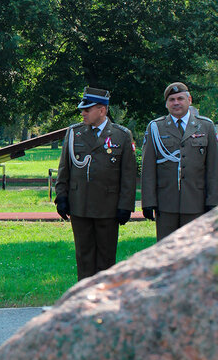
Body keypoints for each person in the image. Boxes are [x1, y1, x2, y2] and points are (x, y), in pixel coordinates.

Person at [55, 87, 137, 280]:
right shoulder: (74, 133)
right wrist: (61, 196)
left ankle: (104, 300)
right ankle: (84, 301)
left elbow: (128, 175)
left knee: (106, 258)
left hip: (108, 208)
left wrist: (125, 206)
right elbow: (63, 168)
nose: (83, 113)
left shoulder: (121, 135)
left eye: (87, 109)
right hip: (79, 205)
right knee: (84, 257)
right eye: (83, 109)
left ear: (102, 110)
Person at [141, 81, 218, 240]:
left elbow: (213, 168)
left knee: (193, 252)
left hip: (197, 202)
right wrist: (148, 201)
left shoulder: (205, 126)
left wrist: (213, 200)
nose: (176, 103)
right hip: (166, 203)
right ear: (166, 104)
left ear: (189, 100)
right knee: (166, 252)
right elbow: (148, 169)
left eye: (180, 98)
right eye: (172, 100)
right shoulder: (156, 127)